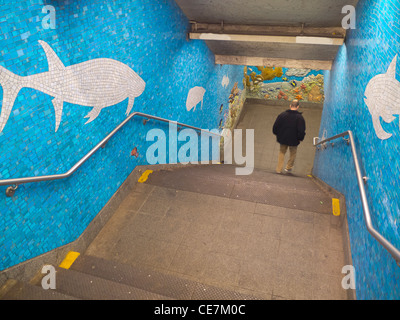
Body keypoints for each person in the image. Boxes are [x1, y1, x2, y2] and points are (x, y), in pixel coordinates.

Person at [272, 100, 306, 174]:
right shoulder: (300, 118)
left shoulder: (282, 115)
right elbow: (301, 130)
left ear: (290, 106)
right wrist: (300, 138)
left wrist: (277, 134)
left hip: (283, 138)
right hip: (294, 139)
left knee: (282, 152)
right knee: (293, 153)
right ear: (297, 107)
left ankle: (278, 169)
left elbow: (275, 126)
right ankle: (288, 167)